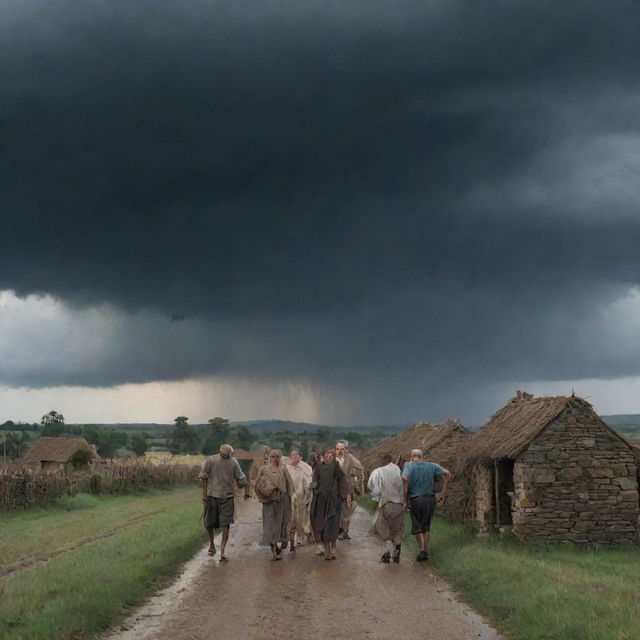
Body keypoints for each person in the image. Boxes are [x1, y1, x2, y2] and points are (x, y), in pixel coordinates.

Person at [199, 443, 248, 561]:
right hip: (212, 496)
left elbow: (240, 477)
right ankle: (211, 544)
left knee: (226, 524)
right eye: (225, 455)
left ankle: (222, 550)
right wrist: (204, 495)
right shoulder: (210, 460)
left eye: (228, 455)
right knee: (209, 523)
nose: (227, 457)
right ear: (221, 453)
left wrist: (243, 483)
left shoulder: (233, 462)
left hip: (227, 496)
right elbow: (204, 478)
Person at [401, 449, 451, 562]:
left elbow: (405, 480)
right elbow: (447, 473)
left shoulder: (409, 466)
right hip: (430, 499)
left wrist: (405, 499)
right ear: (422, 457)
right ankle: (424, 550)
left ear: (412, 456)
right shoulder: (432, 466)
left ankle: (421, 549)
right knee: (426, 525)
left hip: (416, 499)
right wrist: (444, 490)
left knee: (417, 526)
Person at [310, 447, 351, 560]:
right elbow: (314, 480)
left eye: (331, 456)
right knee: (322, 525)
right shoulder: (319, 467)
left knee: (332, 525)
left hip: (333, 501)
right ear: (323, 456)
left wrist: (346, 495)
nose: (329, 458)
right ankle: (327, 551)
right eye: (327, 456)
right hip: (321, 501)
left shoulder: (336, 467)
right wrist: (315, 489)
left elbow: (343, 480)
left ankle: (333, 550)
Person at [254, 449, 293, 560]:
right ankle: (274, 550)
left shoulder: (283, 469)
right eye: (273, 456)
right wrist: (263, 495)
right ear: (270, 458)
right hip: (269, 502)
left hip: (282, 501)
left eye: (277, 456)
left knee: (282, 524)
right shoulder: (264, 469)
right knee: (269, 525)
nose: (275, 459)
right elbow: (257, 484)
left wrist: (291, 497)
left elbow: (289, 484)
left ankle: (282, 544)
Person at [367, 454, 405, 563]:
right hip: (399, 505)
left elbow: (372, 486)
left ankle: (388, 554)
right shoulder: (398, 469)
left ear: (383, 461)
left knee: (384, 529)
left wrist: (377, 498)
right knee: (397, 529)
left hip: (386, 504)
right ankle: (396, 554)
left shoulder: (379, 471)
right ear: (391, 460)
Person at [335, 440, 364, 539]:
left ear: (345, 450)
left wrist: (356, 478)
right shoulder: (333, 460)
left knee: (347, 510)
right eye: (338, 449)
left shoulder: (350, 458)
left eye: (342, 449)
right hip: (336, 490)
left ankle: (345, 532)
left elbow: (360, 467)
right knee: (338, 511)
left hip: (348, 489)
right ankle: (339, 531)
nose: (340, 451)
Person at [286, 448, 314, 550]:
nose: (294, 457)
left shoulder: (306, 467)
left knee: (302, 518)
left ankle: (301, 538)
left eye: (297, 455)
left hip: (302, 496)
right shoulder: (287, 468)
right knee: (291, 518)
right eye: (292, 455)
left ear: (301, 457)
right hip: (291, 497)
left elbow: (309, 481)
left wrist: (308, 494)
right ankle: (291, 539)